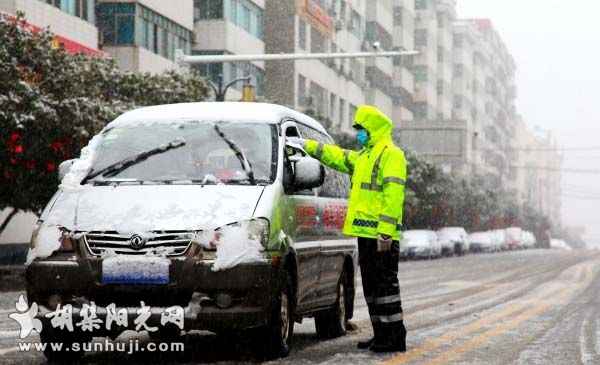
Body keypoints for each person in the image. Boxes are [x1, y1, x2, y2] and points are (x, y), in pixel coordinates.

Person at [287, 105, 407, 352]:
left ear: (372, 129)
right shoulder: (364, 156)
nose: (358, 134)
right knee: (373, 289)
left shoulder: (391, 155)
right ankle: (381, 334)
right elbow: (337, 156)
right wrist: (306, 146)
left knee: (386, 289)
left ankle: (394, 337)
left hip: (381, 236)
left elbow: (393, 195)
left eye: (361, 129)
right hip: (366, 235)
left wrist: (385, 231)